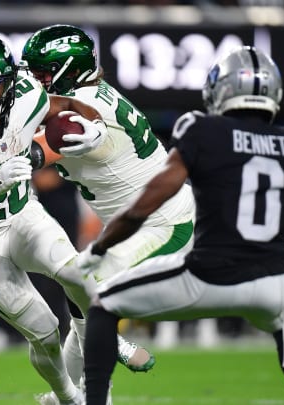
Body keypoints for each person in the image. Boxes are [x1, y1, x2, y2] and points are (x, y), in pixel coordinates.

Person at [76, 46, 284, 405]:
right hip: (270, 282)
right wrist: (274, 250)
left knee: (103, 304)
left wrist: (100, 249)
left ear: (221, 89)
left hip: (207, 276)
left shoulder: (201, 129)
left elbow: (146, 204)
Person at [0, 31, 129, 405]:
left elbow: (78, 109)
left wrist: (90, 130)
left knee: (76, 272)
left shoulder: (28, 97)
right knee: (45, 331)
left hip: (22, 214)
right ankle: (66, 397)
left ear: (11, 79)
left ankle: (99, 352)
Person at [20, 23, 201, 377]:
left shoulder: (79, 114)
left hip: (164, 224)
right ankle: (72, 396)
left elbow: (28, 155)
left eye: (42, 73)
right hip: (138, 222)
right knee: (80, 298)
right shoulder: (90, 94)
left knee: (90, 295)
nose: (35, 81)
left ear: (68, 71)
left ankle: (98, 382)